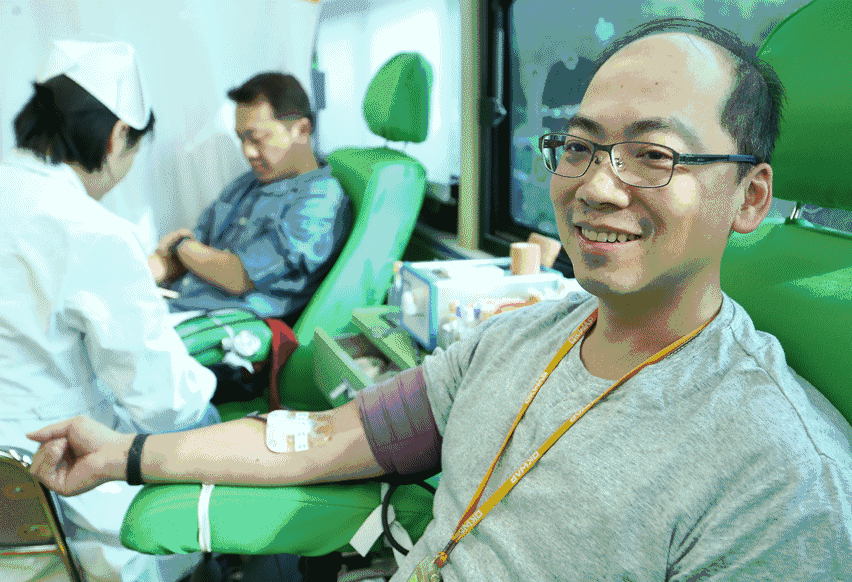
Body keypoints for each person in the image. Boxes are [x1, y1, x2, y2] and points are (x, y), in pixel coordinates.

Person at [27, 18, 852, 581]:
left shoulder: (781, 480)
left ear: (750, 198)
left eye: (654, 154)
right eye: (580, 146)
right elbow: (327, 437)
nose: (598, 186)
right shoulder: (519, 339)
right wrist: (125, 453)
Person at [0, 37, 218, 582]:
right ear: (119, 135)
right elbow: (163, 404)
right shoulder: (88, 228)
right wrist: (204, 395)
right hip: (54, 488)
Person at [148, 72, 352, 322]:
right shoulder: (247, 184)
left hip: (223, 324)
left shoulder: (319, 201)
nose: (248, 152)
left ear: (302, 130)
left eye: (256, 139)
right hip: (178, 302)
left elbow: (238, 276)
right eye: (241, 139)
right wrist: (147, 269)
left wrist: (181, 246)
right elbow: (194, 252)